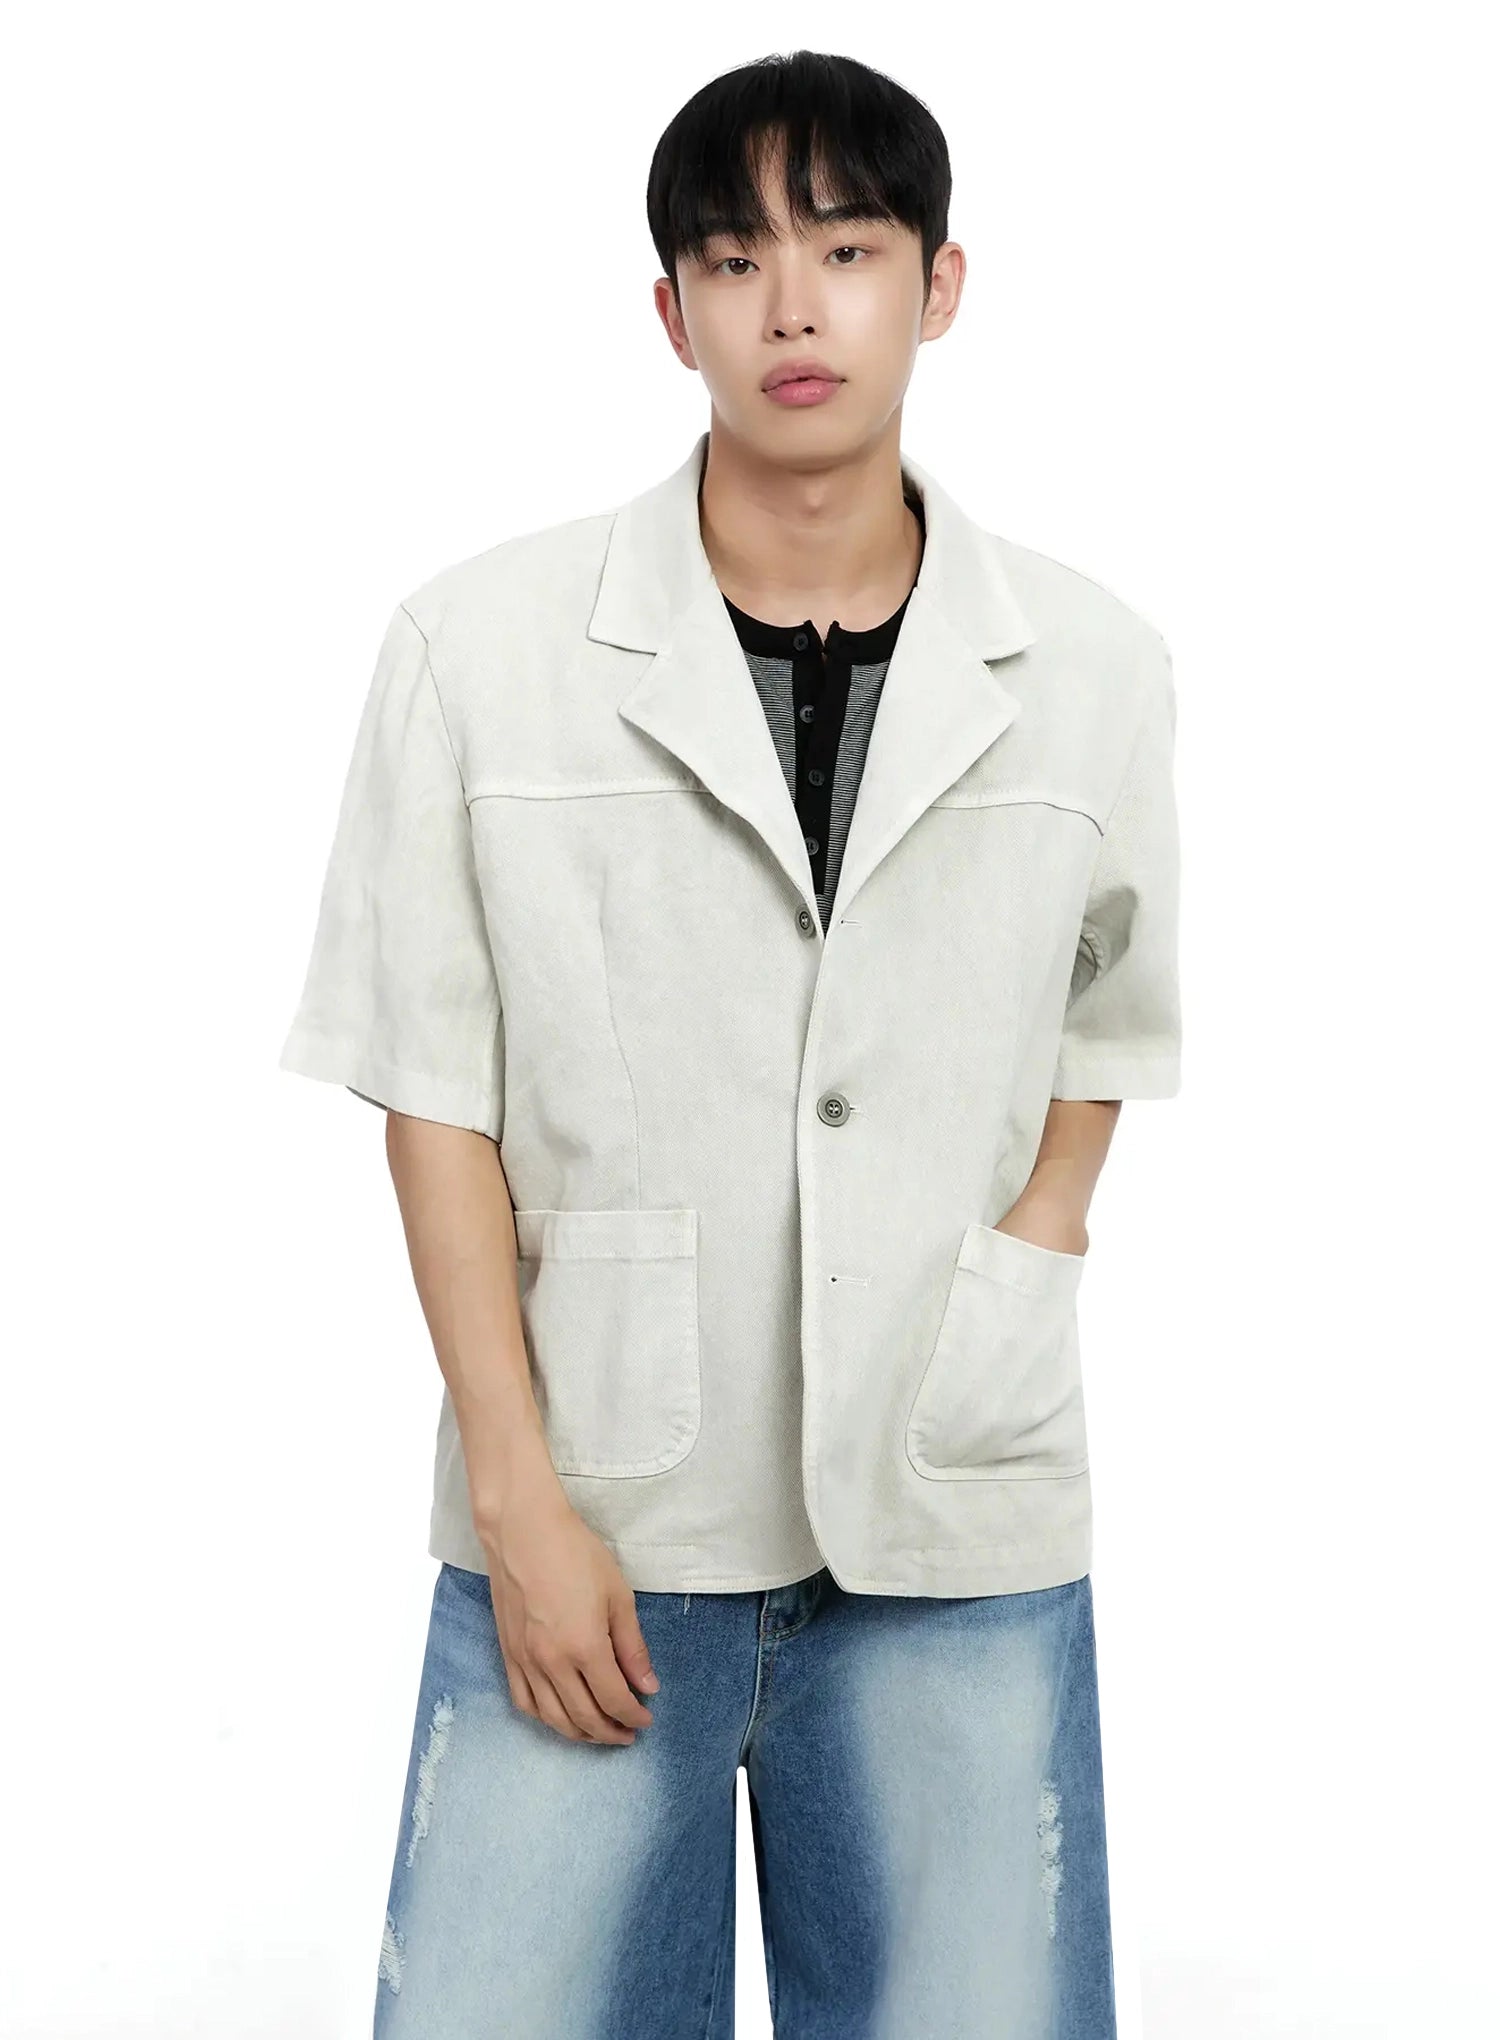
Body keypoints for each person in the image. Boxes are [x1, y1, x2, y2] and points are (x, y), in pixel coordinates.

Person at [279, 47, 1182, 2040]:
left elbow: (1110, 1017)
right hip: (599, 1512)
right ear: (669, 307)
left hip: (952, 1510)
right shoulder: (479, 654)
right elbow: (431, 1092)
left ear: (940, 286)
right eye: (735, 256)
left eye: (846, 250)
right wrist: (516, 1498)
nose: (792, 307)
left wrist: (1027, 1258)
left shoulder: (1097, 669)